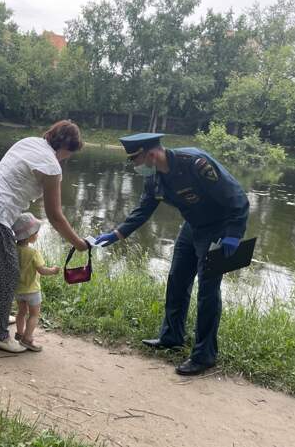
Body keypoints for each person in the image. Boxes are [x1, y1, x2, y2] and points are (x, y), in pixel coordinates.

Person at [95, 133, 249, 375]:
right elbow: (143, 210)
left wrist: (234, 233)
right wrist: (117, 234)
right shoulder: (155, 178)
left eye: (136, 160)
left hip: (218, 228)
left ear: (152, 155)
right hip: (192, 227)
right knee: (177, 279)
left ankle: (204, 356)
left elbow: (237, 197)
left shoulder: (196, 163)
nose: (135, 166)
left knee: (208, 292)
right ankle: (171, 337)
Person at [0, 120, 88, 353]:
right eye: (68, 155)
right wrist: (78, 243)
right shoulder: (51, 166)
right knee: (8, 273)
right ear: (65, 147)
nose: (66, 159)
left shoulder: (29, 142)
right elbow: (55, 215)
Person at [12, 212, 60, 352]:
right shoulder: (33, 253)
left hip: (18, 290)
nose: (37, 235)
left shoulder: (13, 249)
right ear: (30, 236)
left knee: (21, 312)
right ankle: (27, 339)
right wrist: (54, 270)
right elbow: (42, 270)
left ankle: (19, 334)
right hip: (32, 290)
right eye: (36, 233)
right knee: (34, 314)